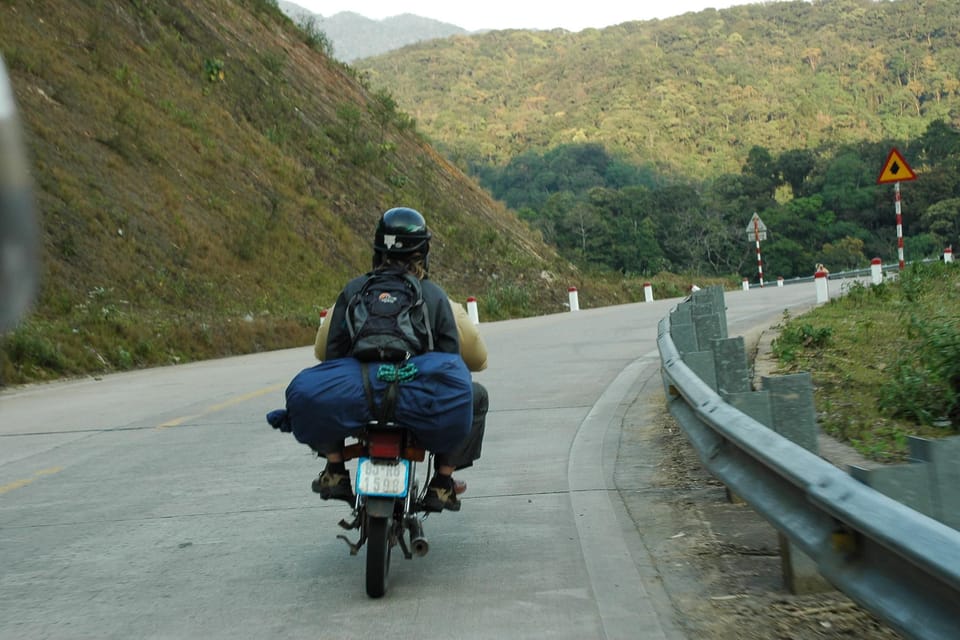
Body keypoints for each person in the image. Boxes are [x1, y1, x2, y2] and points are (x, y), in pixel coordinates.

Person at [310, 206, 489, 513]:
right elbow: (451, 361)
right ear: (423, 251)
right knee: (474, 396)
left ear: (378, 248)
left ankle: (335, 469)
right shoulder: (433, 296)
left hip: (361, 397)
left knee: (320, 386)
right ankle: (442, 482)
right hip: (416, 399)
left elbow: (331, 355)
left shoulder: (354, 290)